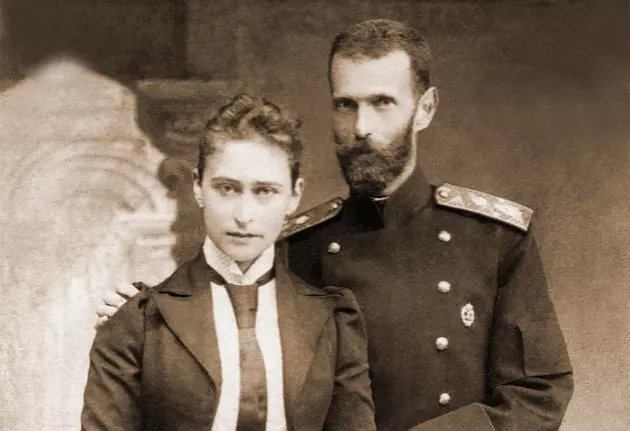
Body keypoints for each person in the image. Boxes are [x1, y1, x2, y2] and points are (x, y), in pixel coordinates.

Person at [97, 19, 574, 431]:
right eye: (346, 104)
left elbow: (539, 390)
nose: (361, 127)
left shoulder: (492, 238)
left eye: (382, 103)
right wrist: (147, 316)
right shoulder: (299, 245)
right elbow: (224, 322)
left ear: (425, 108)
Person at [82, 94, 376, 431]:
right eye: (227, 188)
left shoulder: (333, 321)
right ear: (198, 187)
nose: (244, 215)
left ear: (294, 195)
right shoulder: (139, 321)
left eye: (264, 191)